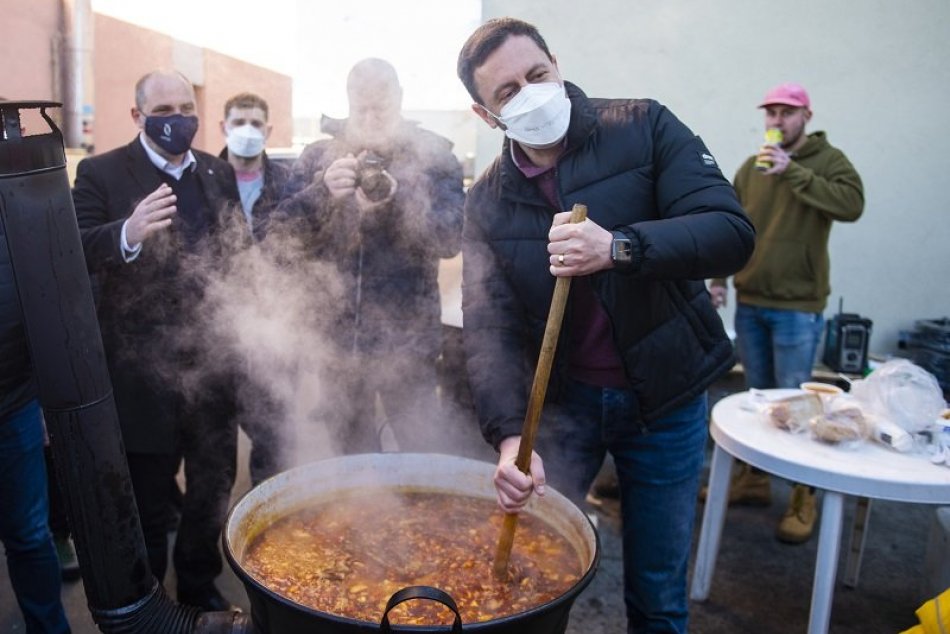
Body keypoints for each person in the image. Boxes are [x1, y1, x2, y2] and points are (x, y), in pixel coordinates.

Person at [456, 18, 755, 634]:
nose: (531, 93)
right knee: (536, 573)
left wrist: (619, 247)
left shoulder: (643, 127)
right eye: (508, 91)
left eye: (538, 75)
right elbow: (490, 328)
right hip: (563, 409)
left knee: (656, 591)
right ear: (487, 117)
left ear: (557, 66)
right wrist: (511, 436)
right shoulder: (486, 202)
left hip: (664, 401)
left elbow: (730, 232)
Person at [71, 70, 243, 612]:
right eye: (163, 108)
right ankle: (149, 601)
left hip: (213, 367)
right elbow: (73, 249)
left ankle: (197, 583)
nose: (177, 118)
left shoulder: (216, 171)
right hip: (141, 374)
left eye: (185, 106)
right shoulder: (100, 173)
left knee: (212, 492)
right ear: (137, 116)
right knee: (145, 501)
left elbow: (240, 254)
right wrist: (128, 231)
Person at [277, 58, 464, 454]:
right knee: (353, 463)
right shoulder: (317, 158)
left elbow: (450, 239)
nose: (370, 115)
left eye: (380, 105)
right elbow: (280, 238)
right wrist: (321, 193)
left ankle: (418, 518)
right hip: (338, 346)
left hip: (409, 344)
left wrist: (400, 200)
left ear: (399, 99)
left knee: (421, 453)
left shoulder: (435, 157)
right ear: (348, 101)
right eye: (361, 106)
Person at [709, 82, 864, 544]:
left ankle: (803, 496)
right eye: (771, 113)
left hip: (798, 306)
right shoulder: (750, 170)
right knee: (758, 400)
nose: (776, 122)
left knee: (802, 405)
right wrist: (717, 280)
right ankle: (752, 482)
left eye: (786, 113)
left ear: (806, 117)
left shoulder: (828, 162)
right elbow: (728, 226)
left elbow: (852, 205)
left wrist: (794, 172)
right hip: (753, 299)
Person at [1, 99, 72, 633]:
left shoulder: (18, 199)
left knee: (29, 535)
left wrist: (46, 402)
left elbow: (47, 307)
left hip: (14, 404)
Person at [218, 92, 290, 484]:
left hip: (274, 327)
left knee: (273, 436)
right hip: (217, 329)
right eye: (238, 122)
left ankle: (264, 518)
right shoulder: (204, 177)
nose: (247, 131)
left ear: (269, 130)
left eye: (256, 123)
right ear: (222, 127)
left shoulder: (287, 182)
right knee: (215, 447)